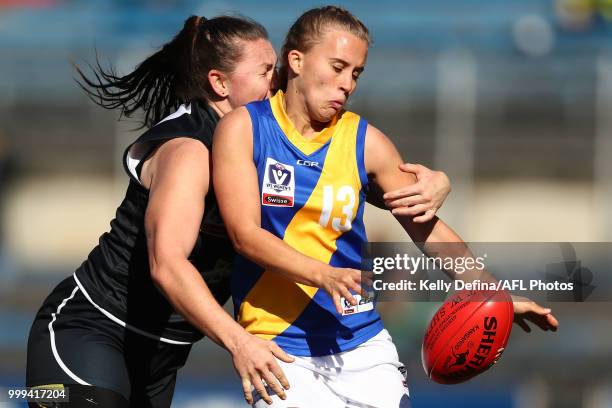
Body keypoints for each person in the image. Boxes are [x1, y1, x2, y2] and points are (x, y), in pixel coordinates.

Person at [25, 14, 452, 408]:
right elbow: (167, 266)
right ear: (220, 83)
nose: (279, 78)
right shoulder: (189, 150)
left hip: (163, 354)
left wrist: (430, 185)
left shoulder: (263, 139)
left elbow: (358, 186)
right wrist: (239, 341)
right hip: (93, 330)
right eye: (266, 72)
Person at [212, 6, 559, 407]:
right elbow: (245, 235)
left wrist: (490, 293)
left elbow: (425, 227)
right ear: (296, 60)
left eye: (356, 73)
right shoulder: (245, 129)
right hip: (276, 349)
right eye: (338, 66)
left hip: (361, 343)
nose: (347, 84)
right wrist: (322, 275)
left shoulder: (366, 141)